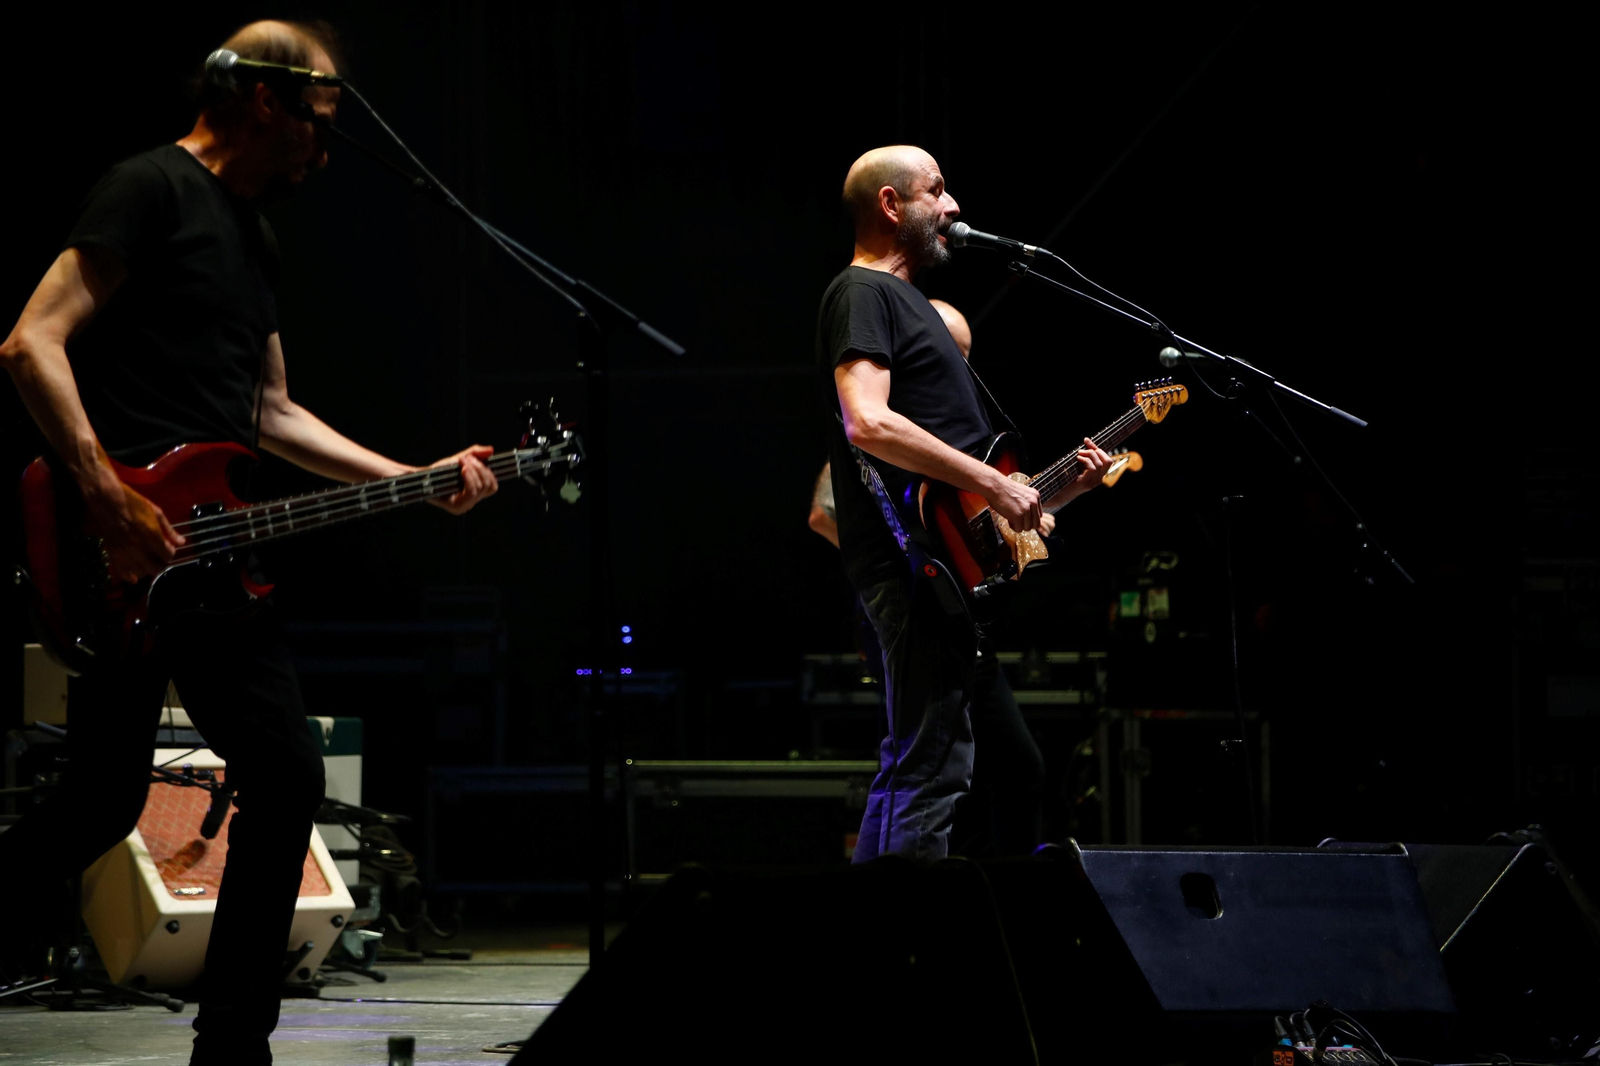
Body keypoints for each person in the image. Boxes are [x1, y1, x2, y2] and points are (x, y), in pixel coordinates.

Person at [0, 20, 496, 1065]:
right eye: (318, 122)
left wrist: (413, 481)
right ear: (262, 99)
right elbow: (30, 340)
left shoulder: (257, 235)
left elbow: (271, 412)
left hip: (212, 551)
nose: (325, 147)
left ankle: (233, 1042)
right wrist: (104, 495)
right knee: (103, 800)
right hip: (122, 543)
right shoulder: (147, 189)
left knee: (272, 773)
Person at [817, 145, 1110, 862]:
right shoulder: (863, 293)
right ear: (892, 205)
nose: (952, 207)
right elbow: (866, 421)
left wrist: (1044, 492)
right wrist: (995, 484)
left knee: (922, 765)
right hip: (910, 570)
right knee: (932, 770)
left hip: (941, 573)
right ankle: (915, 956)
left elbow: (969, 503)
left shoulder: (911, 306)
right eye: (936, 191)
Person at [809, 299, 1048, 856]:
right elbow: (824, 511)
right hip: (913, 595)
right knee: (926, 771)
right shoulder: (889, 425)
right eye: (948, 353)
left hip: (954, 599)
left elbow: (986, 519)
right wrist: (907, 554)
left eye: (965, 356)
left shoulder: (944, 438)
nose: (957, 368)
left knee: (938, 772)